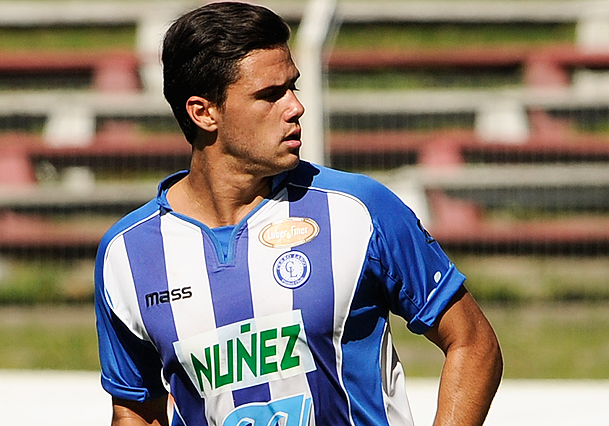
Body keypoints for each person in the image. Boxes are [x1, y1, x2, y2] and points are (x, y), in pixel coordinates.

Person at [94, 2, 503, 425]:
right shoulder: (128, 254)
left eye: (293, 87)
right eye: (270, 95)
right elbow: (136, 409)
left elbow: (473, 343)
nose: (295, 107)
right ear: (203, 112)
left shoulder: (360, 209)